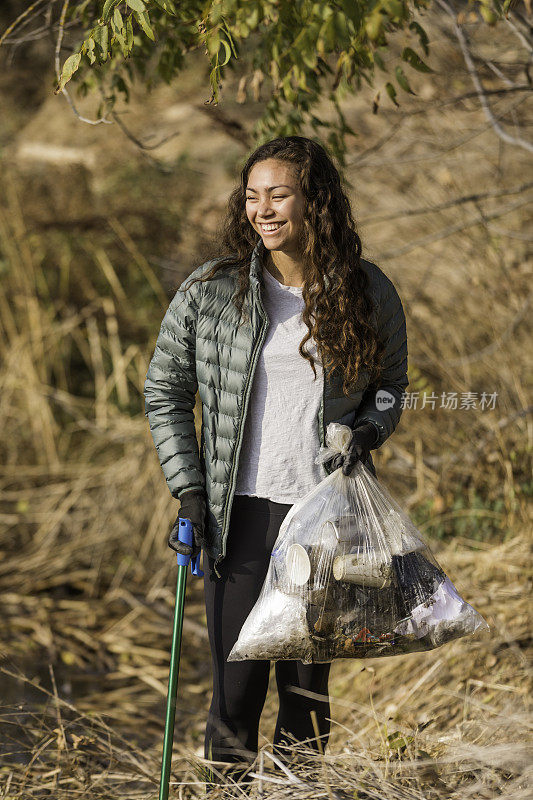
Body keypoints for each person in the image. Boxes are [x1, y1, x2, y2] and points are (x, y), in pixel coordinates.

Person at [144, 136, 408, 791]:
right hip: (238, 519)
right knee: (234, 702)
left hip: (319, 518)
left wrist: (367, 429)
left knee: (305, 699)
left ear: (313, 202)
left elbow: (390, 382)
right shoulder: (213, 291)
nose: (262, 209)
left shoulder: (363, 289)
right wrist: (190, 492)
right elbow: (165, 388)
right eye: (252, 195)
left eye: (279, 194)